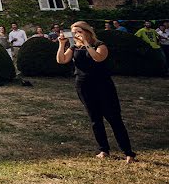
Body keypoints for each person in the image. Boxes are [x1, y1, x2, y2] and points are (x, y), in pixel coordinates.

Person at [56, 21, 136, 163]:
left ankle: (128, 152)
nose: (76, 34)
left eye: (78, 31)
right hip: (83, 85)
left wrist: (86, 43)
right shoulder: (74, 47)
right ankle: (103, 149)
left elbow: (98, 58)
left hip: (102, 84)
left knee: (113, 118)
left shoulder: (100, 45)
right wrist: (62, 44)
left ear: (87, 31)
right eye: (73, 32)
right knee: (95, 119)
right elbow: (61, 60)